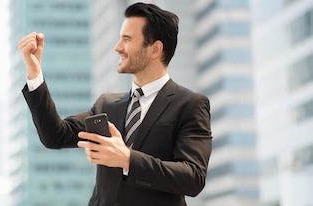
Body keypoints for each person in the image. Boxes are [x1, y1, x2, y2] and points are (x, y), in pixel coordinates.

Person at [18, 2, 212, 206]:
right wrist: (34, 72)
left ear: (155, 49)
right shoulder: (107, 105)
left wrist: (128, 159)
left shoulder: (190, 105)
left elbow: (193, 178)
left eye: (127, 39)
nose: (117, 47)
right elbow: (55, 136)